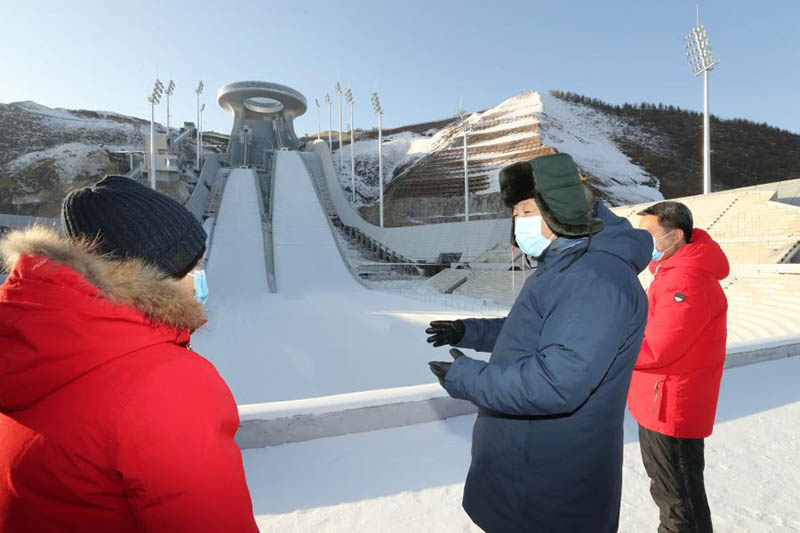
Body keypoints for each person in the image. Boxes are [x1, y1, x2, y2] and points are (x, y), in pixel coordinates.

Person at [0, 176, 258, 532]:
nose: (199, 277)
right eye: (193, 266)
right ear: (159, 274)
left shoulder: (27, 340)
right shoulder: (167, 384)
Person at [426, 153, 652, 532]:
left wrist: (467, 378)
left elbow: (556, 382)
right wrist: (469, 332)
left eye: (525, 209)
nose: (517, 221)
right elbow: (532, 332)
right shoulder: (566, 264)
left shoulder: (594, 279)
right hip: (525, 466)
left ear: (557, 206)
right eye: (515, 212)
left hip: (547, 480)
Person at [628, 201, 729, 533]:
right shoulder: (671, 272)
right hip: (660, 401)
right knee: (672, 493)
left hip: (671, 407)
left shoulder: (686, 279)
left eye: (648, 235)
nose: (641, 242)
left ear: (676, 236)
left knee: (679, 502)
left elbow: (659, 348)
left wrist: (607, 347)